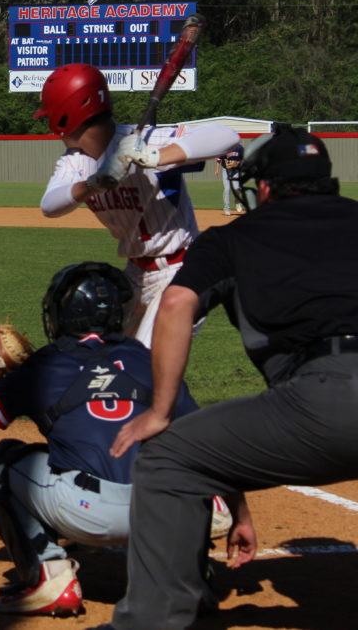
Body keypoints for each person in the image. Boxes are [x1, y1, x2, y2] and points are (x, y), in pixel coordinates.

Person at [99, 124, 358, 630]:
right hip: (326, 392)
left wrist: (160, 411)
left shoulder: (236, 236)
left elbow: (175, 303)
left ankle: (153, 622)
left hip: (323, 398)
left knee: (169, 459)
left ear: (266, 187)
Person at [0, 262, 231, 617]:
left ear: (59, 315)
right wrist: (239, 512)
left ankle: (49, 577)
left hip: (86, 512)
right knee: (185, 462)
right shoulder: (148, 357)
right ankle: (190, 578)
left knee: (0, 462)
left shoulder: (44, 365)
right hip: (162, 512)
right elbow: (207, 442)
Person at [34, 64, 241, 347]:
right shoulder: (74, 161)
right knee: (107, 357)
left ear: (65, 115)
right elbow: (50, 205)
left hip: (180, 270)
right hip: (135, 274)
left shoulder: (143, 140)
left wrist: (154, 156)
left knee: (145, 363)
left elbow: (227, 136)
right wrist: (93, 183)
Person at [214, 143, 244, 215]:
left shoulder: (239, 148)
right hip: (226, 170)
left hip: (235, 170)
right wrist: (217, 169)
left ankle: (237, 201)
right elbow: (219, 159)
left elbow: (244, 158)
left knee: (237, 188)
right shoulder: (225, 147)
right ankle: (226, 208)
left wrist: (237, 163)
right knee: (227, 189)